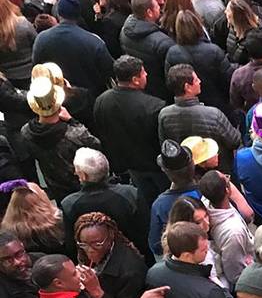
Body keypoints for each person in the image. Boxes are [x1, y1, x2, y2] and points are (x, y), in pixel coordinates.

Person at [91, 55, 164, 209]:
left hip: (128, 166)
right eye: (143, 73)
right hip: (154, 166)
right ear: (135, 79)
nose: (146, 75)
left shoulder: (101, 101)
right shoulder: (153, 107)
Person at [145, 220, 235, 298]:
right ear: (187, 255)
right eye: (203, 250)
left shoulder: (153, 273)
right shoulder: (209, 293)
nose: (208, 250)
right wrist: (224, 290)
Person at [22, 76, 101, 202]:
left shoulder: (26, 132)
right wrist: (72, 121)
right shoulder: (73, 133)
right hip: (82, 186)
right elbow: (96, 146)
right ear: (58, 104)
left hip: (56, 187)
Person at [72, 212, 147, 298]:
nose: (90, 250)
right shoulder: (84, 252)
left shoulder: (131, 270)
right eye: (84, 244)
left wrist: (97, 292)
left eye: (97, 244)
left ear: (110, 237)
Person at [31, 0, 113, 96]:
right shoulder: (94, 42)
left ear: (59, 13)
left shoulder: (41, 39)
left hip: (60, 98)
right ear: (78, 14)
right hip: (91, 98)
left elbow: (37, 69)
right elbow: (109, 70)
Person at [61, 148, 138, 252]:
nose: (75, 173)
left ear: (83, 176)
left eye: (77, 170)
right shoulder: (130, 194)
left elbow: (72, 244)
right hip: (134, 255)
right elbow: (145, 229)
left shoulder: (69, 205)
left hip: (95, 261)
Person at [119, 0, 174, 100]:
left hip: (144, 87)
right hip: (160, 88)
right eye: (157, 6)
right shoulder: (162, 42)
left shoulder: (125, 31)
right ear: (149, 12)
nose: (160, 8)